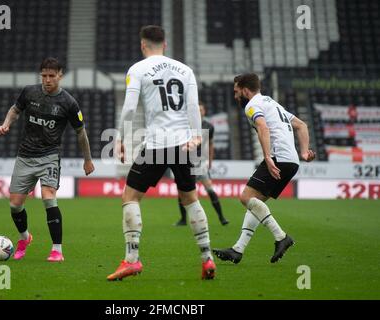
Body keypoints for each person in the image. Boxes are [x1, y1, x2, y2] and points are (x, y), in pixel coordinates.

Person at [107, 25, 216, 281]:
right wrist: (197, 136)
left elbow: (129, 109)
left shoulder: (137, 69)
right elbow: (192, 107)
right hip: (183, 144)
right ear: (164, 44)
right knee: (191, 199)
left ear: (143, 45)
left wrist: (121, 138)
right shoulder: (185, 70)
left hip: (157, 144)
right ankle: (207, 258)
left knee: (130, 196)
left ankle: (132, 260)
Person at [0, 57, 95, 262]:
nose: (47, 80)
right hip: (25, 155)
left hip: (49, 156)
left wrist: (87, 160)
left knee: (49, 197)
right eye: (44, 76)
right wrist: (6, 124)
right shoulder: (29, 92)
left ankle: (57, 250)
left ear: (60, 75)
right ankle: (25, 238)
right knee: (15, 205)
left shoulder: (69, 103)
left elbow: (80, 133)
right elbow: (15, 110)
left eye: (51, 76)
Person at [213, 73, 315, 264]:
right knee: (255, 205)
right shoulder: (272, 103)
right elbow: (301, 126)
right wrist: (304, 152)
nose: (235, 96)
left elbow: (263, 127)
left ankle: (281, 237)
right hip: (291, 160)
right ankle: (238, 250)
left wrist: (267, 157)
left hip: (278, 158)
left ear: (245, 90)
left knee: (246, 198)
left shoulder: (252, 105)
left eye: (236, 92)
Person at [175, 102, 229, 226]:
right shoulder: (187, 126)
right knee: (183, 190)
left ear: (204, 112)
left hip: (200, 162)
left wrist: (210, 160)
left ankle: (222, 217)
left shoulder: (209, 126)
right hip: (187, 161)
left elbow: (210, 144)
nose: (199, 112)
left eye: (201, 110)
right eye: (197, 110)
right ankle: (183, 219)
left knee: (209, 188)